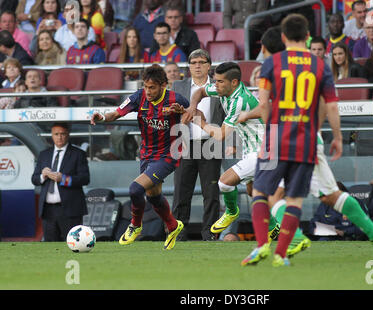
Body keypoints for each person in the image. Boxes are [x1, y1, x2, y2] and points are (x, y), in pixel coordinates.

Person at [240, 14, 373, 267]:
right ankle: (281, 254)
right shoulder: (321, 66)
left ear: (282, 37)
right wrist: (337, 137)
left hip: (278, 136)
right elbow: (332, 107)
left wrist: (265, 138)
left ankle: (261, 246)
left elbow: (264, 106)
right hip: (306, 139)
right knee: (294, 200)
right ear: (307, 37)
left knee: (260, 191)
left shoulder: (272, 63)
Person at [90, 64, 189, 250]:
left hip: (169, 154)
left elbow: (195, 115)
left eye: (152, 87)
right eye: (145, 86)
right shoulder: (138, 97)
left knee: (135, 189)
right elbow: (116, 113)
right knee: (153, 196)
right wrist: (102, 117)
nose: (148, 91)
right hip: (146, 154)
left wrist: (182, 112)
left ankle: (135, 225)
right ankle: (173, 226)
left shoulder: (177, 99)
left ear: (163, 86)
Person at [181, 61, 281, 243]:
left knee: (224, 182)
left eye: (220, 82)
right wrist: (192, 106)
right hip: (252, 148)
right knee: (253, 192)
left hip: (264, 149)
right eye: (216, 81)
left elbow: (220, 135)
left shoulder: (239, 101)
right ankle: (274, 226)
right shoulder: (222, 89)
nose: (215, 85)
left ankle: (231, 211)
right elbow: (200, 91)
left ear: (233, 82)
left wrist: (200, 122)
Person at [170, 49, 224, 241]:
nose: (197, 66)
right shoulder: (178, 86)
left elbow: (225, 115)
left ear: (209, 65)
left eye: (201, 62)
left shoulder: (219, 87)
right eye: (193, 62)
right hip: (184, 143)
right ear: (189, 66)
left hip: (211, 143)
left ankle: (210, 234)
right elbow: (170, 114)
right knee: (181, 192)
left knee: (211, 193)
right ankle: (177, 234)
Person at [31, 122, 90, 242]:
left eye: (62, 134)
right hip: (48, 210)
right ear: (51, 135)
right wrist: (43, 175)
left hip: (70, 209)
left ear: (68, 135)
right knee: (50, 245)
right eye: (56, 134)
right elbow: (34, 179)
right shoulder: (44, 154)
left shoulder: (78, 154)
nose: (59, 137)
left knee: (73, 243)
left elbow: (85, 178)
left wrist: (63, 179)